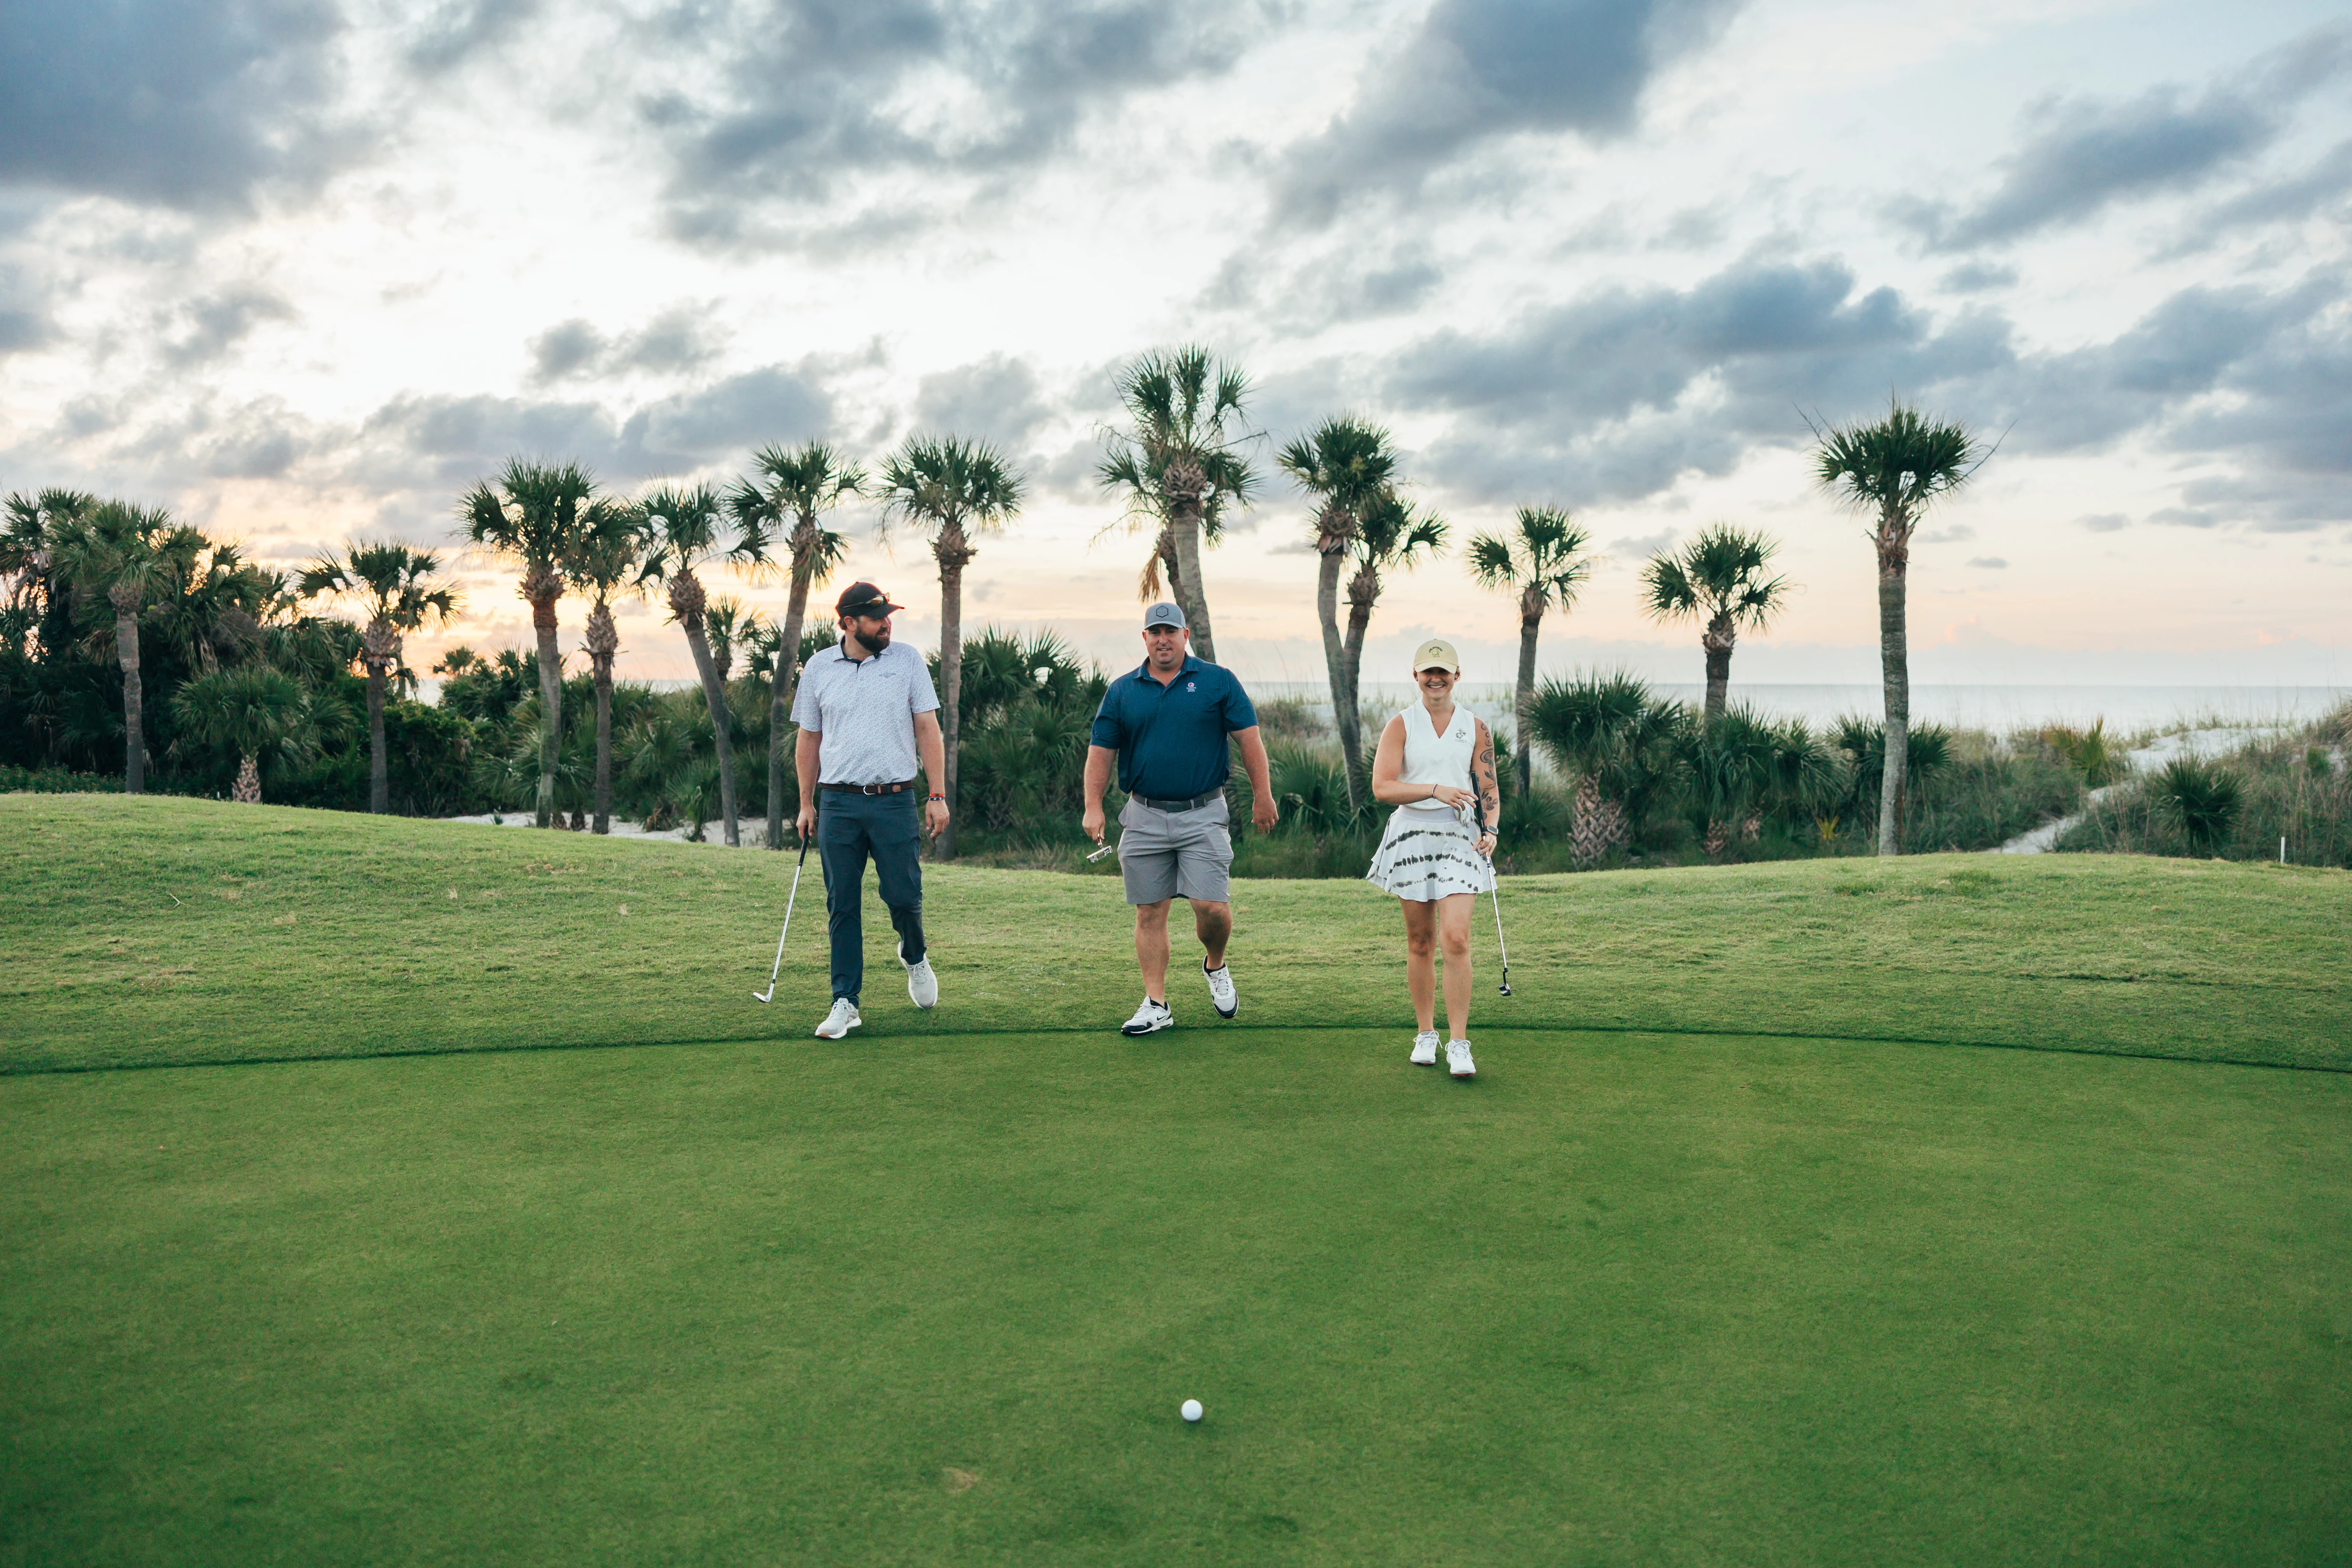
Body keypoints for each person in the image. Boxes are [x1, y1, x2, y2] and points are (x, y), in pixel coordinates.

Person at [1082, 601, 1278, 1036]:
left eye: (1170, 631)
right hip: (1144, 814)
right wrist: (1092, 805)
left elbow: (1249, 740)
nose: (1162, 639)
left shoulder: (1217, 682)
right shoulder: (1122, 690)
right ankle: (1156, 1003)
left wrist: (1262, 796)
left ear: (1185, 636)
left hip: (1203, 813)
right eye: (1155, 632)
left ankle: (1215, 964)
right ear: (1145, 638)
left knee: (1212, 908)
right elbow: (1100, 753)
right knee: (1150, 911)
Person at [790, 582, 950, 1040]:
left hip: (894, 799)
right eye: (876, 616)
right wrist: (805, 803)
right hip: (838, 802)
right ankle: (846, 1001)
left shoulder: (906, 661)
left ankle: (914, 954)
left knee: (902, 896)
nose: (887, 623)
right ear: (847, 623)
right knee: (842, 902)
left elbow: (927, 728)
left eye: (887, 614)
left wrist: (936, 795)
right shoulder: (819, 667)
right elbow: (809, 739)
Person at [1364, 638, 1500, 1079]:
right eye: (1428, 672)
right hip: (1412, 834)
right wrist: (1433, 788)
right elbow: (1383, 787)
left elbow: (1488, 786)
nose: (1436, 679)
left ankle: (1459, 1042)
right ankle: (1426, 1034)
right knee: (1420, 941)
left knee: (1456, 938)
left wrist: (1492, 829)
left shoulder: (1475, 726)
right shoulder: (1400, 725)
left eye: (1444, 671)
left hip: (1460, 835)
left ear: (1456, 676)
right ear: (1416, 676)